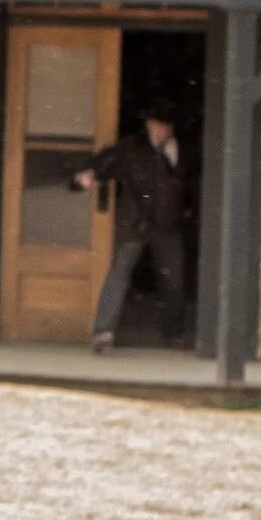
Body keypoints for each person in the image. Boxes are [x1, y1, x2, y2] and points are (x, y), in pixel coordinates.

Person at [72, 112, 190, 353]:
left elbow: (190, 185)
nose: (160, 131)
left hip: (169, 224)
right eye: (156, 125)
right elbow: (105, 162)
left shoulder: (184, 151)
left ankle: (173, 334)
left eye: (165, 126)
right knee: (119, 273)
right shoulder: (131, 148)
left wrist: (187, 213)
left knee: (174, 280)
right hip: (135, 222)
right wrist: (88, 175)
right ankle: (103, 332)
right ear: (148, 124)